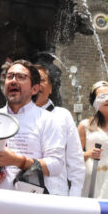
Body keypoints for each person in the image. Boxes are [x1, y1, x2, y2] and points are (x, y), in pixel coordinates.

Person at [0, 60, 66, 193]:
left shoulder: (48, 119)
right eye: (9, 76)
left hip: (30, 203)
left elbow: (56, 165)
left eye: (21, 77)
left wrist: (18, 161)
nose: (13, 81)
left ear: (34, 89)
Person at [35, 65, 86, 196]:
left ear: (51, 88)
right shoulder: (16, 116)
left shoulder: (63, 116)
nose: (37, 84)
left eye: (41, 80)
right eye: (32, 80)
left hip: (56, 193)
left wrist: (75, 194)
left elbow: (75, 160)